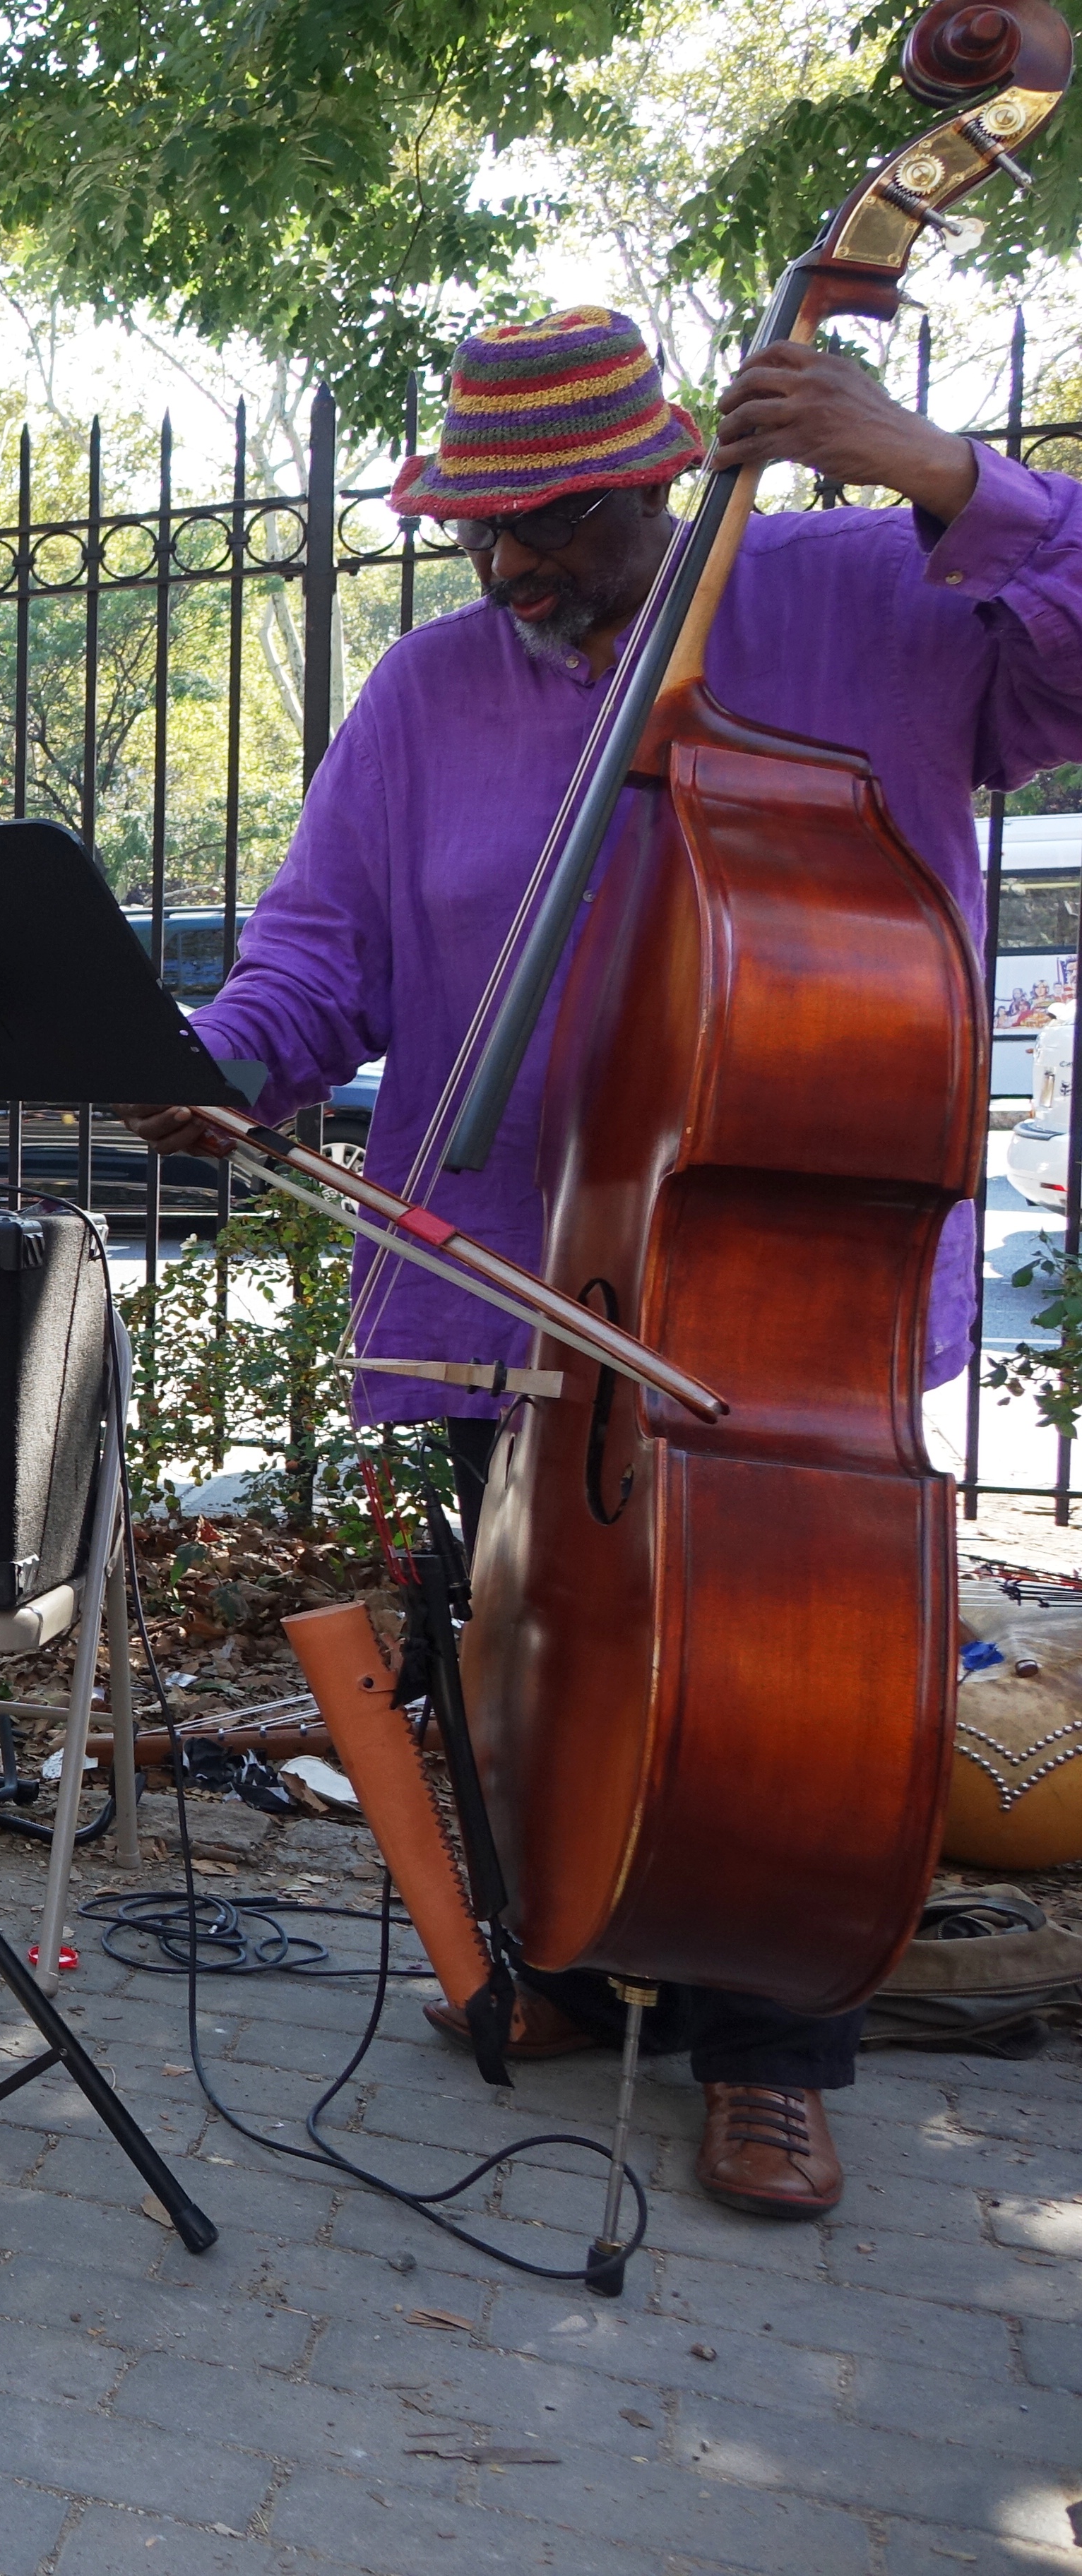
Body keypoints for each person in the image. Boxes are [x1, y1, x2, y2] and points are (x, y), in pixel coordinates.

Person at [126, 308, 1082, 2222]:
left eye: (554, 520)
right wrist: (221, 1065)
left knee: (768, 1681)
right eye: (484, 526)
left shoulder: (862, 589)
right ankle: (557, 1960)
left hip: (779, 1279)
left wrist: (940, 469)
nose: (514, 565)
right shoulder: (427, 694)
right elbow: (321, 950)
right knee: (525, 1645)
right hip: (512, 1264)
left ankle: (770, 2050)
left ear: (665, 476)